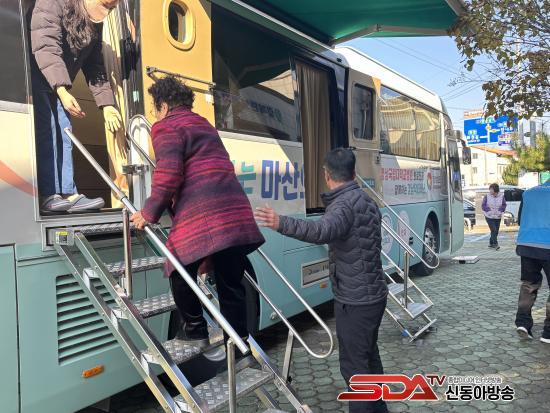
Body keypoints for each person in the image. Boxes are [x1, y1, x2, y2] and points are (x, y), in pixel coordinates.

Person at [130, 76, 264, 352]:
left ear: (163, 105)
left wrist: (148, 212)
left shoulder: (166, 126)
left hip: (204, 214)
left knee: (178, 267)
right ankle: (240, 350)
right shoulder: (204, 124)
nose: (155, 114)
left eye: (155, 108)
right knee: (231, 286)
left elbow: (168, 174)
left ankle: (195, 330)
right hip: (234, 213)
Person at [255, 148, 388, 413]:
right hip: (374, 295)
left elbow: (321, 230)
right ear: (353, 173)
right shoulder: (366, 200)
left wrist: (281, 223)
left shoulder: (343, 206)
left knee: (354, 369)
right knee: (368, 359)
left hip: (356, 301)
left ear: (327, 176)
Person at [30, 0, 122, 213]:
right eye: (105, 5)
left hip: (59, 81)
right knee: (47, 131)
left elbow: (94, 64)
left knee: (65, 132)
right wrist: (62, 89)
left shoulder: (94, 21)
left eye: (111, 8)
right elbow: (45, 44)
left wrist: (107, 104)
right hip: (37, 77)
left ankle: (68, 193)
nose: (107, 13)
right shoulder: (53, 2)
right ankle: (48, 193)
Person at [514, 180, 550, 343]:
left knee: (529, 285)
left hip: (526, 245)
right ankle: (548, 333)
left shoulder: (528, 193)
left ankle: (523, 323)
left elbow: (520, 220)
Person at [481, 183, 506, 249]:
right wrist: (488, 211)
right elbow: (483, 205)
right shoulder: (487, 196)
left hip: (498, 216)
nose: (490, 190)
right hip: (489, 216)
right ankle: (495, 244)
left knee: (496, 231)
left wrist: (500, 211)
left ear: (495, 190)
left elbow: (504, 205)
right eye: (490, 189)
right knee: (494, 230)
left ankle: (491, 243)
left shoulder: (501, 196)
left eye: (491, 189)